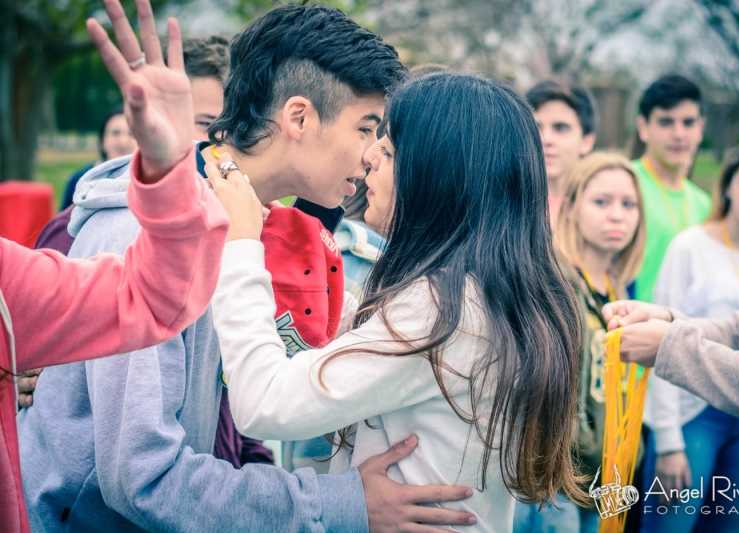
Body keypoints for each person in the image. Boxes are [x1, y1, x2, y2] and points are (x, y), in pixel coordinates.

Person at [20, 2, 475, 532]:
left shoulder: (244, 222)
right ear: (299, 118)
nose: (372, 154)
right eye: (365, 128)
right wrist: (337, 504)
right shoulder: (145, 229)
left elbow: (220, 426)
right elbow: (143, 478)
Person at [209, 72, 587, 532]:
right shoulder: (487, 294)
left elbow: (266, 402)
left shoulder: (440, 313)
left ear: (435, 179)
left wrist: (242, 242)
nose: (368, 157)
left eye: (388, 152)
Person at [0, 13, 233, 530]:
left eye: (216, 127)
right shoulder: (101, 226)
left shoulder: (7, 281)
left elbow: (149, 297)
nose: (213, 141)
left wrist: (171, 173)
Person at [641, 138, 739, 533]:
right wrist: (668, 440)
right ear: (727, 186)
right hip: (693, 414)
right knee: (672, 524)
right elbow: (730, 333)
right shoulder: (690, 246)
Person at [513, 152, 646, 533]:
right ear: (571, 207)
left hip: (607, 474)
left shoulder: (619, 290)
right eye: (601, 202)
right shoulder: (555, 281)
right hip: (556, 478)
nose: (617, 215)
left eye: (628, 204)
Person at [631, 74, 711, 303]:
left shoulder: (705, 203)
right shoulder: (624, 185)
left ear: (701, 128)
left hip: (686, 323)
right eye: (666, 122)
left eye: (688, 122)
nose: (678, 134)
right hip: (630, 319)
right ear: (643, 127)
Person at [525, 80, 597, 224]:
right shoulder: (507, 202)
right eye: (536, 127)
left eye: (560, 128)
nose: (545, 139)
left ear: (586, 142)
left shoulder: (605, 203)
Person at [60, 109, 137, 210]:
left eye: (131, 134)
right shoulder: (80, 179)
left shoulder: (149, 182)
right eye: (115, 133)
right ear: (102, 140)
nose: (123, 141)